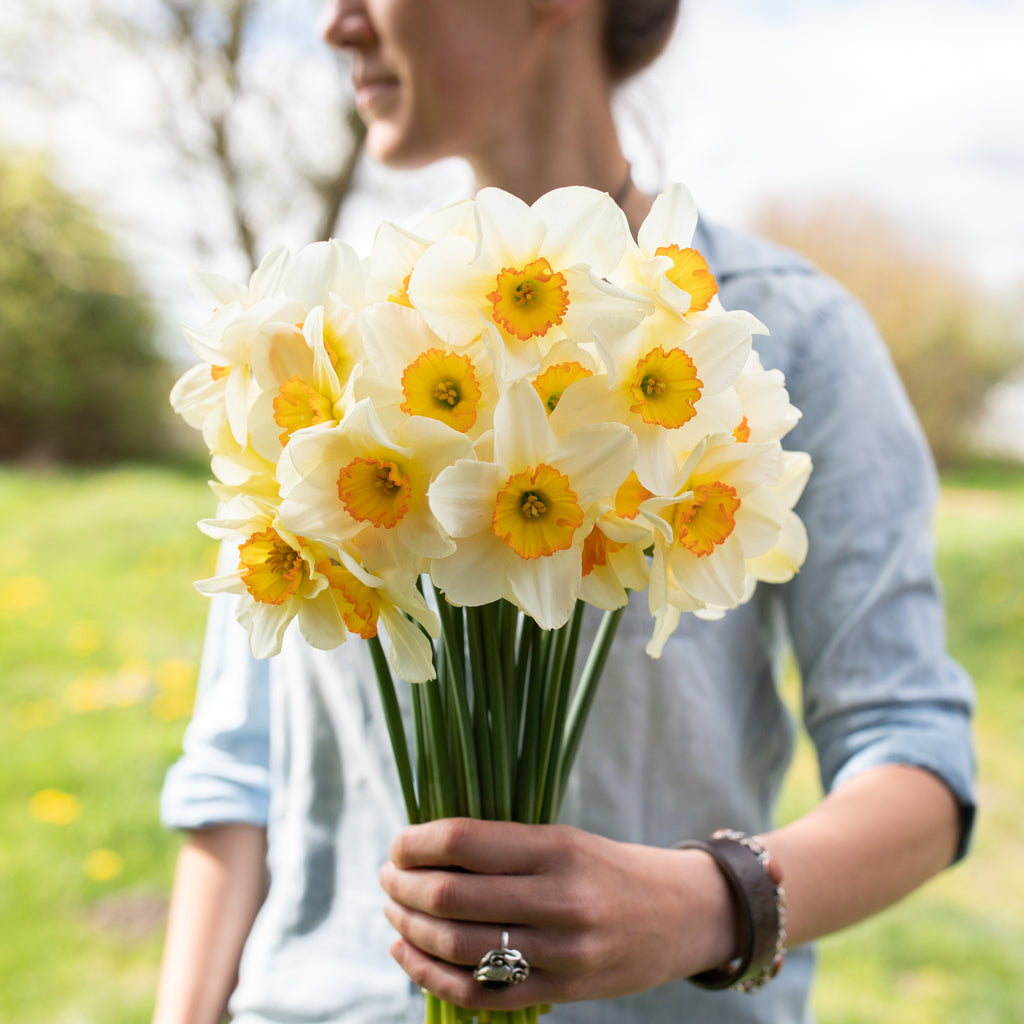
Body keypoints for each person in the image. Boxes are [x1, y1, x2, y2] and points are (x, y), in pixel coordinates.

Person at [152, 1, 976, 1022]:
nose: (334, 24)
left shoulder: (779, 339)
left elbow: (916, 756)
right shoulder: (321, 342)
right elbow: (237, 769)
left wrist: (705, 905)